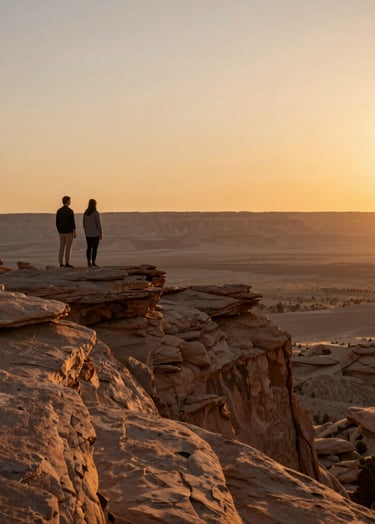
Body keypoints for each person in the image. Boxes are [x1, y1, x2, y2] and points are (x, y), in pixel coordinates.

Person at [56, 195, 76, 268]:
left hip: (61, 232)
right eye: (69, 201)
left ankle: (61, 263)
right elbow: (72, 222)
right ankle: (67, 263)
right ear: (67, 201)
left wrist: (59, 230)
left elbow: (57, 222)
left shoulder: (59, 211)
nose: (70, 202)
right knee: (68, 248)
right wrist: (74, 231)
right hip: (69, 232)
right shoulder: (70, 211)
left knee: (61, 247)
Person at [83, 198, 103, 267]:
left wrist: (86, 231)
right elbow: (98, 224)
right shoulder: (96, 213)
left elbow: (84, 224)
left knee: (89, 248)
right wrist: (100, 233)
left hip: (88, 234)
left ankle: (89, 262)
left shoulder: (86, 213)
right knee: (94, 248)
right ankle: (93, 262)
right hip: (95, 234)